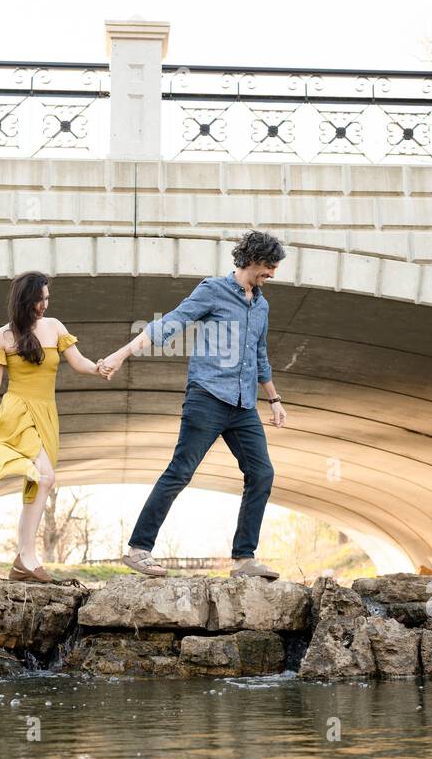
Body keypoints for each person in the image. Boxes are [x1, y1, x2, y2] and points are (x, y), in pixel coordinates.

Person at [96, 230, 288, 580]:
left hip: (244, 405)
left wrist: (273, 399)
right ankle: (139, 549)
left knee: (261, 473)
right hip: (208, 397)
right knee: (181, 471)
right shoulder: (212, 290)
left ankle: (244, 560)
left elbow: (260, 354)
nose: (272, 275)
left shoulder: (261, 305)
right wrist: (121, 354)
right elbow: (170, 324)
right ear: (253, 260)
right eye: (269, 267)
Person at [0, 271, 111, 583]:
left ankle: (23, 560)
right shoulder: (3, 337)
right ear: (25, 300)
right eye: (40, 300)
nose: (45, 305)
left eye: (48, 299)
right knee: (46, 476)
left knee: (41, 482)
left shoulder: (55, 327)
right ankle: (27, 556)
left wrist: (98, 368)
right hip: (18, 412)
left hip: (47, 413)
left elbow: (78, 362)